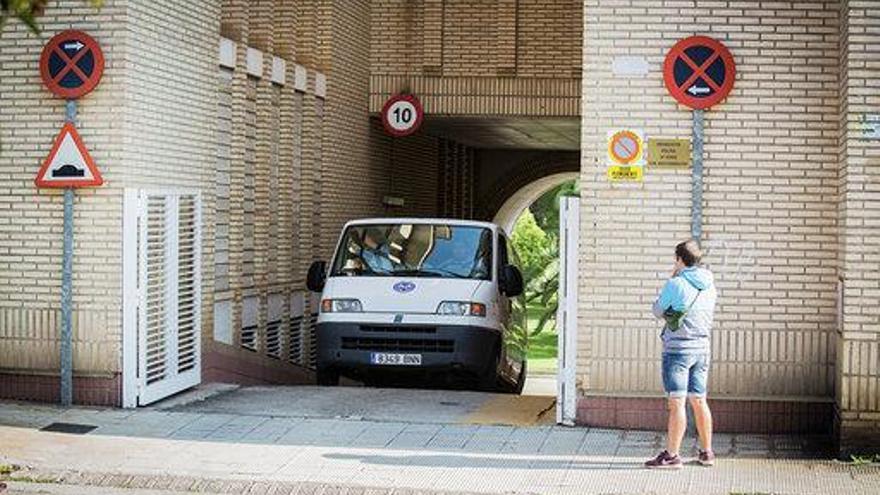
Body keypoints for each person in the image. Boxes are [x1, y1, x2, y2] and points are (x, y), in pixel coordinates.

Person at [645, 240, 718, 469]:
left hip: (678, 351)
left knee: (677, 402)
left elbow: (657, 310)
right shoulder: (709, 285)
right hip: (702, 350)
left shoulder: (675, 284)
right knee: (699, 400)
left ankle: (672, 456)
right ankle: (706, 453)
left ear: (679, 259)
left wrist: (673, 279)